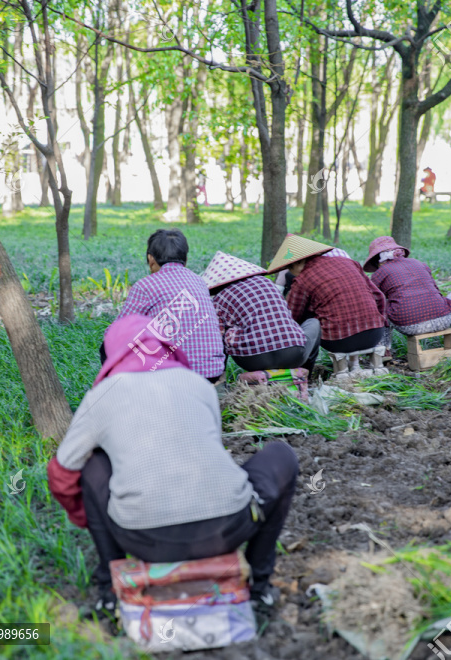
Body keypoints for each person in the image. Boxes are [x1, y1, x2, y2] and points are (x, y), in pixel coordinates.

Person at [48, 315, 299, 618]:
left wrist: (92, 518)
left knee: (94, 466)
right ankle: (259, 587)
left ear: (112, 353)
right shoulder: (198, 385)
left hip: (143, 539)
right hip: (229, 528)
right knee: (281, 455)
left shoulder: (102, 396)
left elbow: (61, 473)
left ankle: (110, 591)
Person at [111, 229, 225, 381]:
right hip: (211, 372)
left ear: (151, 259)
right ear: (185, 259)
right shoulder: (199, 281)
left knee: (110, 346)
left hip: (170, 376)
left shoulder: (145, 285)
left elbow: (118, 331)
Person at [267, 234, 387, 357]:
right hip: (375, 334)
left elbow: (292, 316)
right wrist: (380, 321)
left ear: (296, 264)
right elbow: (379, 297)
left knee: (308, 318)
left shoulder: (302, 279)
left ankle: (305, 366)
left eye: (289, 268)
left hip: (339, 341)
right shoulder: (349, 262)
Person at [202, 251, 321, 373]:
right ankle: (303, 375)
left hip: (253, 360)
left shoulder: (219, 299)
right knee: (314, 323)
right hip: (293, 355)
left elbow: (217, 338)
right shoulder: (268, 284)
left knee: (225, 331)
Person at [363, 236, 451, 352]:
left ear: (377, 261)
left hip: (409, 326)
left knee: (381, 307)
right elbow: (436, 290)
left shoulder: (379, 274)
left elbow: (372, 301)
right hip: (443, 319)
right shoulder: (419, 263)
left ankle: (384, 350)